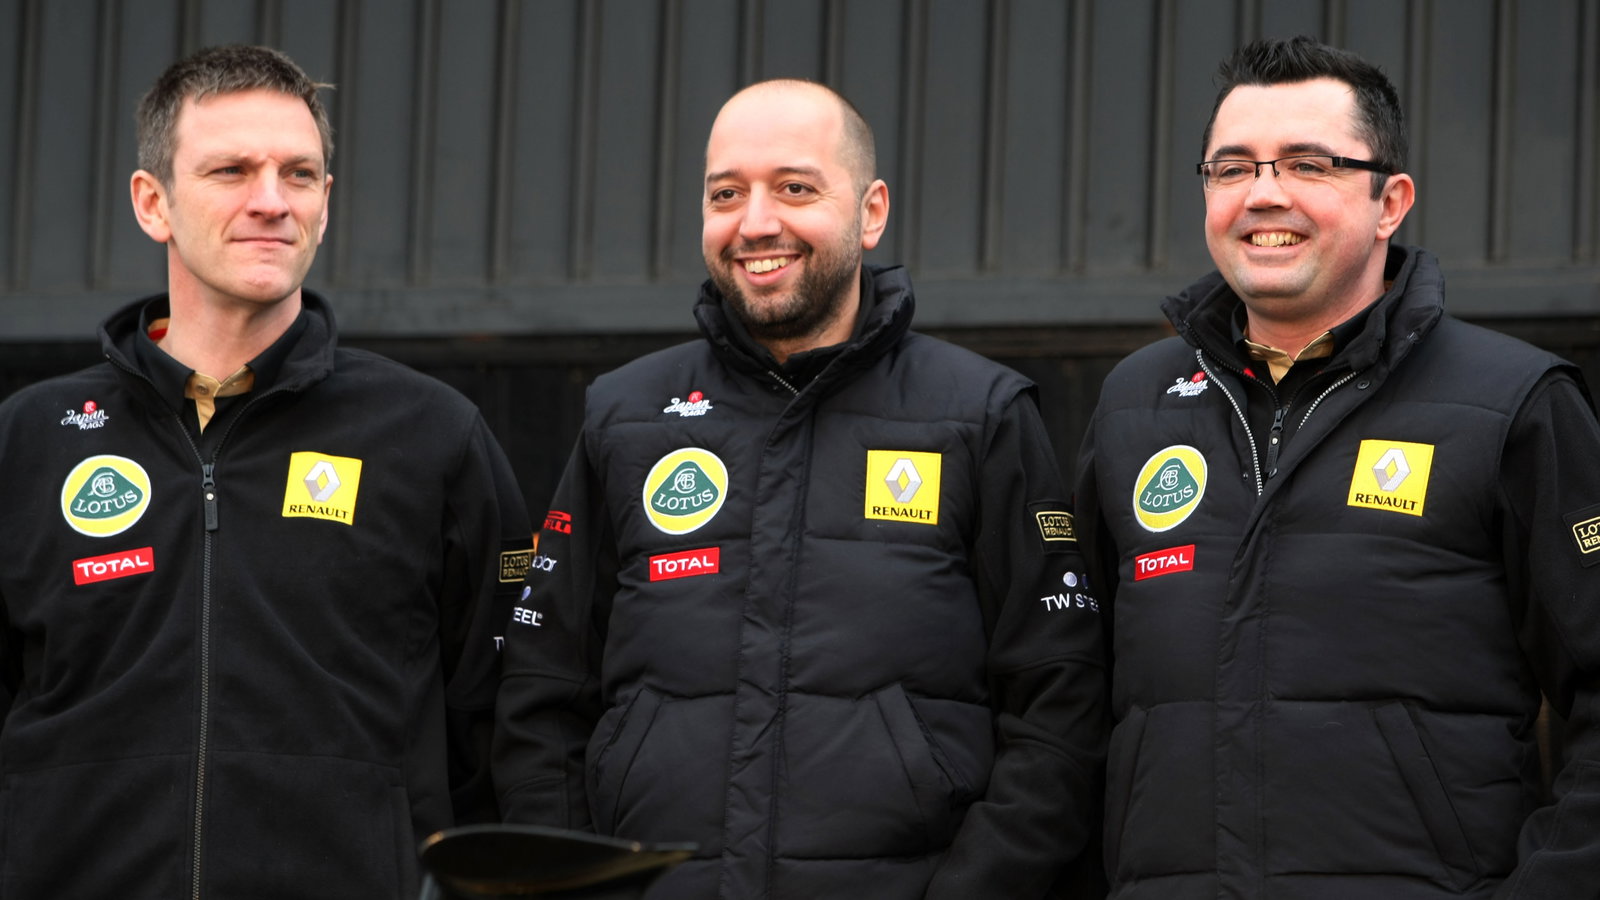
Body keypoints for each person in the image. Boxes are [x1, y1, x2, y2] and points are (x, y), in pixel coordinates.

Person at [493, 79, 1105, 900]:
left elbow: (1061, 700)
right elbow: (541, 694)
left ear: (871, 209)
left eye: (795, 187)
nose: (756, 223)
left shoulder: (980, 415)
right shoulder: (624, 416)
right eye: (726, 194)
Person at [1074, 35, 1600, 899]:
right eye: (1232, 168)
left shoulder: (1515, 402)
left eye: (1308, 165)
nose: (1263, 194)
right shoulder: (1134, 403)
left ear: (1390, 201)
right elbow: (1069, 702)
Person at [0, 45, 532, 899]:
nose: (272, 202)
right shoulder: (29, 440)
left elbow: (506, 717)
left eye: (301, 174)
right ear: (153, 203)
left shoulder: (431, 436)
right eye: (231, 170)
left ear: (327, 203)